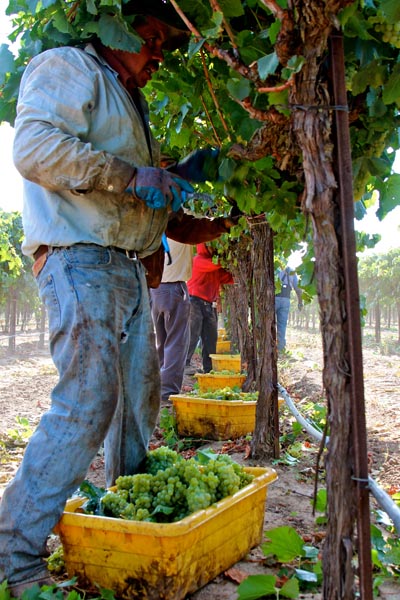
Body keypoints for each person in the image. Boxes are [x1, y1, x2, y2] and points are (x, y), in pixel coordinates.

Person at [0, 3, 219, 593]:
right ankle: (9, 555)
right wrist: (130, 175)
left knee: (136, 405)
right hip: (80, 260)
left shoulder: (128, 101)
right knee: (89, 402)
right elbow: (35, 148)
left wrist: (190, 201)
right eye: (150, 39)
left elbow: (152, 204)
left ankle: (128, 526)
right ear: (115, 30)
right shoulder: (71, 66)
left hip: (124, 271)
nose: (157, 55)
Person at [149, 209, 237, 404]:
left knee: (161, 342)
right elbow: (196, 226)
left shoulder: (153, 216)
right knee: (176, 343)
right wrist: (223, 223)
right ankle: (167, 394)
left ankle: (155, 387)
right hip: (174, 288)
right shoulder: (179, 219)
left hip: (155, 288)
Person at [185, 243, 234, 374]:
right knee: (192, 334)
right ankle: (184, 365)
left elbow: (227, 277)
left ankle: (209, 369)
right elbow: (216, 264)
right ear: (205, 246)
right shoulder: (198, 260)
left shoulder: (214, 267)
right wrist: (228, 257)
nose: (215, 248)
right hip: (194, 302)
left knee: (211, 338)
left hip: (209, 304)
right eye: (212, 245)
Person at [275, 266, 303, 352]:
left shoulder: (275, 268)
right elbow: (297, 289)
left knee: (269, 323)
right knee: (282, 325)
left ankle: (268, 345)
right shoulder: (291, 272)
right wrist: (300, 302)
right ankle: (280, 347)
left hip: (274, 298)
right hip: (286, 300)